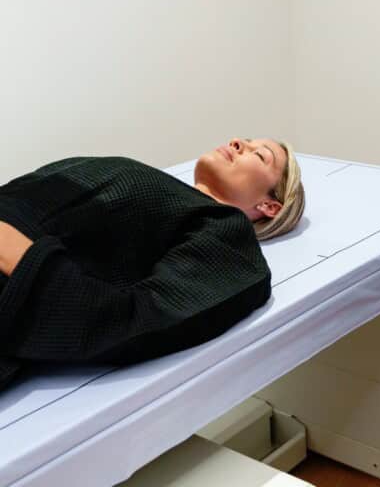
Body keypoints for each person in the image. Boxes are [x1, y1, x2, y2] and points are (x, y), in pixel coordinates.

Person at [0, 137, 305, 390]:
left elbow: (127, 322)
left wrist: (15, 252)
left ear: (269, 206)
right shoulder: (165, 190)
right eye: (246, 140)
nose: (238, 142)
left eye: (259, 155)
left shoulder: (225, 233)